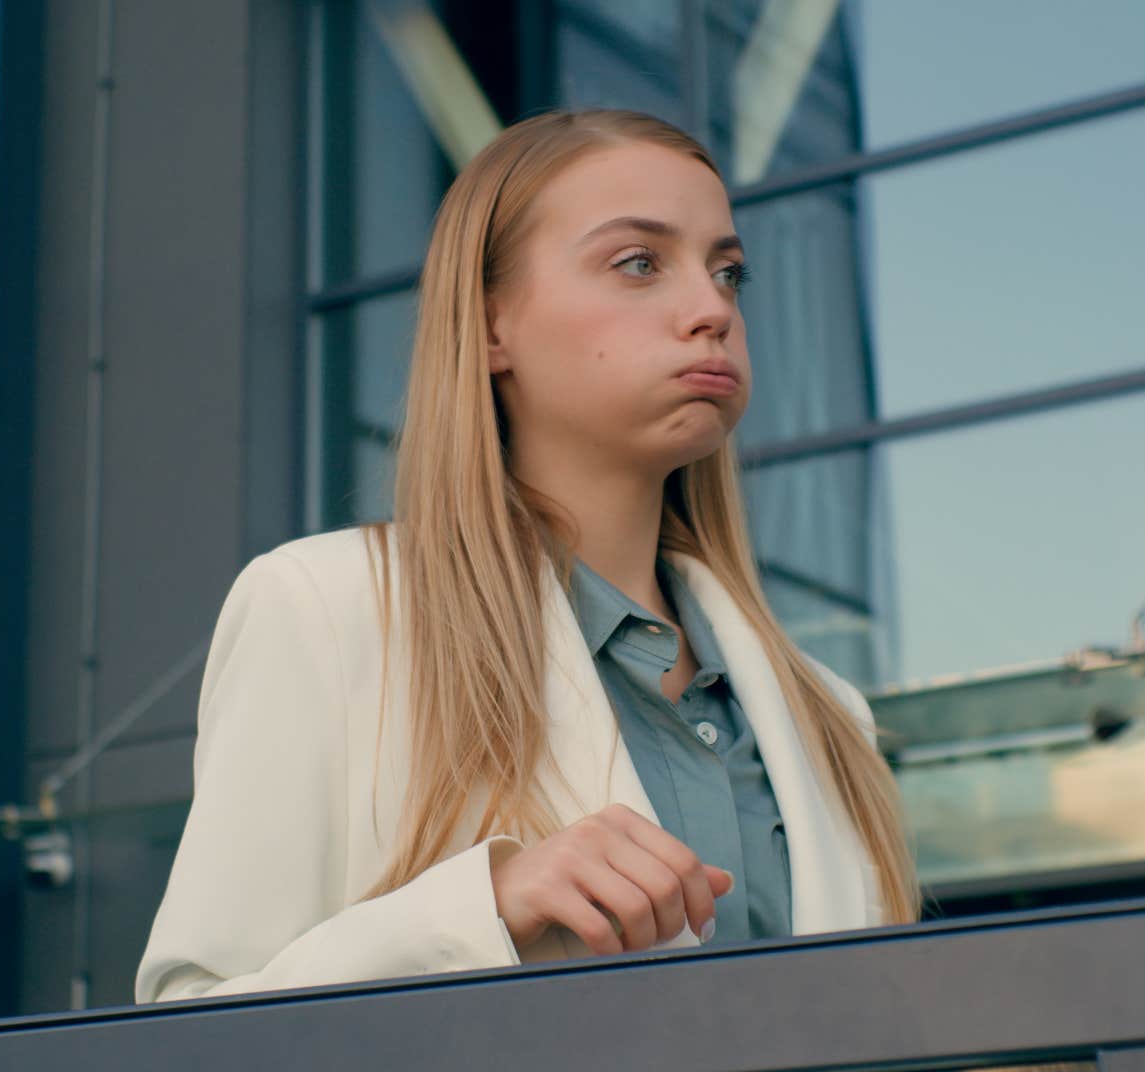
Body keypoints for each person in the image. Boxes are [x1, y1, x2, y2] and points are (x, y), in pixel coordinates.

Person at [135, 108, 918, 1005]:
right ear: (491, 322)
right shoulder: (324, 608)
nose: (711, 310)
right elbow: (189, 1031)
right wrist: (483, 913)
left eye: (728, 272)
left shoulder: (830, 718)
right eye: (638, 262)